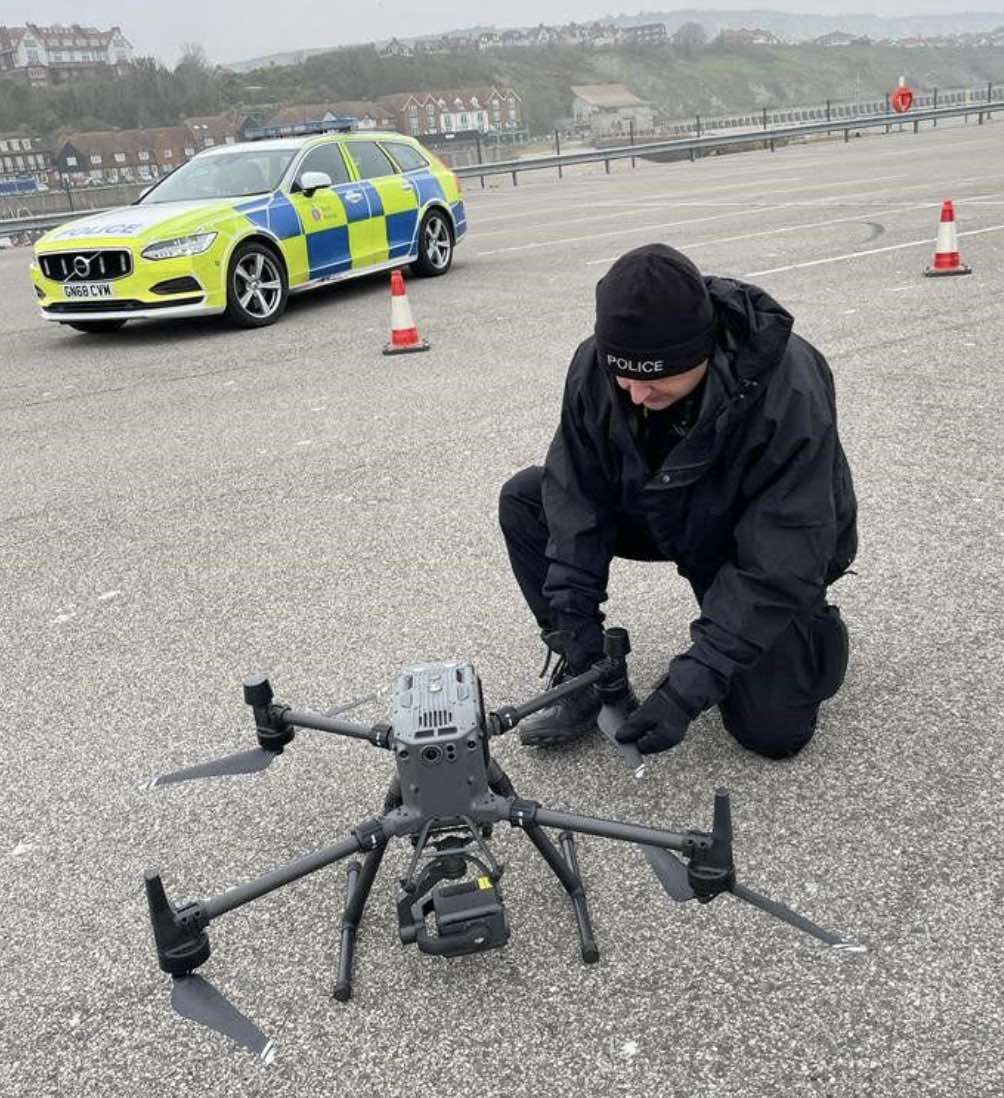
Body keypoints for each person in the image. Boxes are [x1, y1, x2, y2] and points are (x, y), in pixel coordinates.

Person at [498, 243, 857, 759]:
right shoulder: (597, 369)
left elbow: (786, 549)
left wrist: (688, 688)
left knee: (773, 734)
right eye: (622, 375)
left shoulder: (788, 387)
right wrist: (575, 625)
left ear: (702, 352)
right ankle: (587, 675)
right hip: (662, 509)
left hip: (749, 542)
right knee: (526, 498)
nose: (635, 394)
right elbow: (576, 496)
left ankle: (808, 630)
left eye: (652, 379)